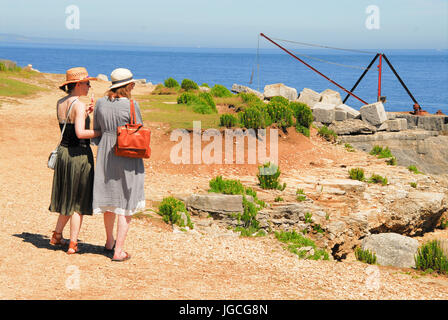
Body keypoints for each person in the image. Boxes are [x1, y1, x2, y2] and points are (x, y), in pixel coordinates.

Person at [92, 68, 146, 262]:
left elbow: (96, 131)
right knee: (125, 201)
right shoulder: (132, 105)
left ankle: (109, 242)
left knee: (109, 199)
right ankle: (119, 251)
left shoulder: (100, 103)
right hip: (126, 153)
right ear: (129, 86)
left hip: (106, 152)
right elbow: (138, 128)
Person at [49, 67, 101, 254]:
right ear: (78, 84)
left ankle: (57, 235)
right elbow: (80, 133)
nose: (89, 86)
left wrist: (86, 113)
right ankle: (73, 243)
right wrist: (101, 132)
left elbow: (69, 126)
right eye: (87, 83)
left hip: (64, 152)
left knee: (68, 198)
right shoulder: (78, 105)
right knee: (78, 200)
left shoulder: (61, 102)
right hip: (78, 155)